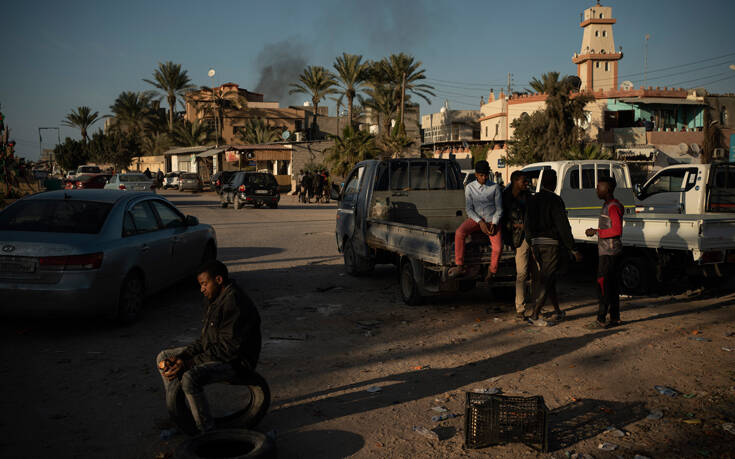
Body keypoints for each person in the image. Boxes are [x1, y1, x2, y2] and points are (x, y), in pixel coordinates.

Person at [156, 260, 262, 434]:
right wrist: (183, 357)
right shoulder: (214, 298)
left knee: (190, 377)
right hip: (219, 353)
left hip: (237, 362)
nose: (201, 289)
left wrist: (189, 363)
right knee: (164, 357)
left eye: (204, 284)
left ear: (219, 280)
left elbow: (228, 349)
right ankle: (182, 415)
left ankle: (208, 433)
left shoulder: (234, 302)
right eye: (200, 285)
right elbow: (205, 341)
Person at [524, 169, 580, 326]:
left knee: (549, 278)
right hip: (551, 244)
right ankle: (535, 314)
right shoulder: (555, 200)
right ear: (555, 182)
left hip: (536, 243)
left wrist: (531, 242)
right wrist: (573, 248)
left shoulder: (533, 200)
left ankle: (557, 310)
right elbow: (563, 226)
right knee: (548, 280)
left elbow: (527, 224)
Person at [449, 160, 502, 280]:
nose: (484, 178)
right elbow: (469, 209)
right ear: (476, 174)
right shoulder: (469, 187)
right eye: (481, 175)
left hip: (491, 220)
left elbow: (499, 209)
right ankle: (459, 265)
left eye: (486, 175)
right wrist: (480, 222)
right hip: (475, 219)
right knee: (459, 233)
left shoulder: (495, 187)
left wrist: (494, 222)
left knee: (498, 248)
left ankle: (492, 271)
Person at [585, 176, 624, 328]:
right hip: (612, 251)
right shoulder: (610, 205)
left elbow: (616, 230)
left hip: (609, 252)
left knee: (603, 285)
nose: (596, 190)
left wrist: (597, 231)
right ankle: (615, 318)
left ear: (607, 189)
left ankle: (601, 319)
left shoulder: (612, 206)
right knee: (612, 286)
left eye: (599, 187)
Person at [502, 171, 532, 320]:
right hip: (518, 238)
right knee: (522, 273)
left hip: (530, 236)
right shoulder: (505, 196)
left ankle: (536, 305)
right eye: (523, 181)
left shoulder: (527, 196)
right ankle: (520, 308)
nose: (526, 184)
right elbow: (501, 218)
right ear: (514, 181)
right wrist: (515, 226)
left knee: (536, 272)